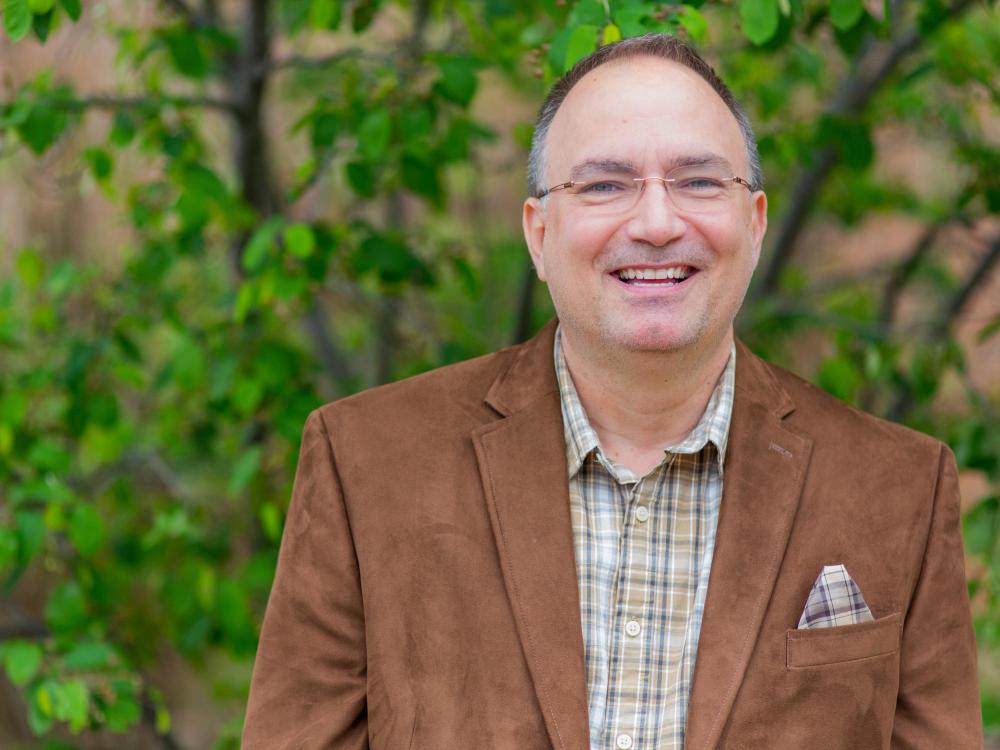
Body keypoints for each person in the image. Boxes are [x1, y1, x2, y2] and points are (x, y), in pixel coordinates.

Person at [241, 33, 981, 749]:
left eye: (698, 181)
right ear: (538, 232)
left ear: (754, 225)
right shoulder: (367, 461)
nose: (657, 222)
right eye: (604, 185)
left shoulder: (899, 489)